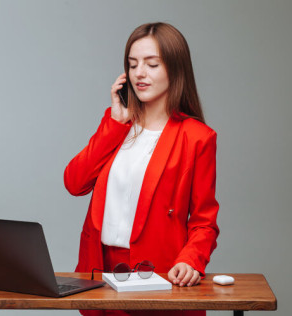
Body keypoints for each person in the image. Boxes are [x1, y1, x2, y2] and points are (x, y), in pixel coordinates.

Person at [64, 22, 219, 316]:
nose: (139, 73)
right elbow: (74, 182)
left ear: (175, 69)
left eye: (152, 64)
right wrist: (114, 123)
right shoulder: (118, 124)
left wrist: (190, 260)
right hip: (101, 274)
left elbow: (204, 222)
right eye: (133, 64)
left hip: (158, 275)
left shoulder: (197, 137)